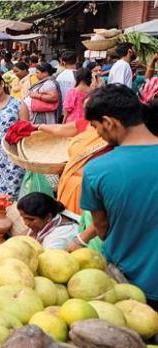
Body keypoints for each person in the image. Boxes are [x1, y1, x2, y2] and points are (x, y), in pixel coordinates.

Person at [80, 84, 158, 304]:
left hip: (125, 284)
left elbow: (101, 228)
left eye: (95, 126)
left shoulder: (97, 170)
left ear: (109, 122)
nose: (97, 133)